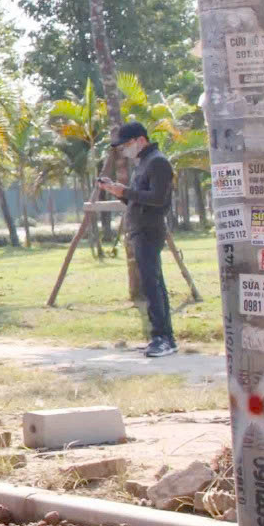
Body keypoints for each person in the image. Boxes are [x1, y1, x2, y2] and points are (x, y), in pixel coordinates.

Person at [98, 120, 178, 355]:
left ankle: (161, 337)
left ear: (140, 140)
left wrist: (126, 192)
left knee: (152, 286)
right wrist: (118, 191)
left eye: (126, 145)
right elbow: (137, 198)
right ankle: (165, 337)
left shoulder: (158, 162)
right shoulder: (143, 163)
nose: (124, 150)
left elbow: (158, 199)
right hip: (139, 228)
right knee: (152, 283)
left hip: (150, 230)